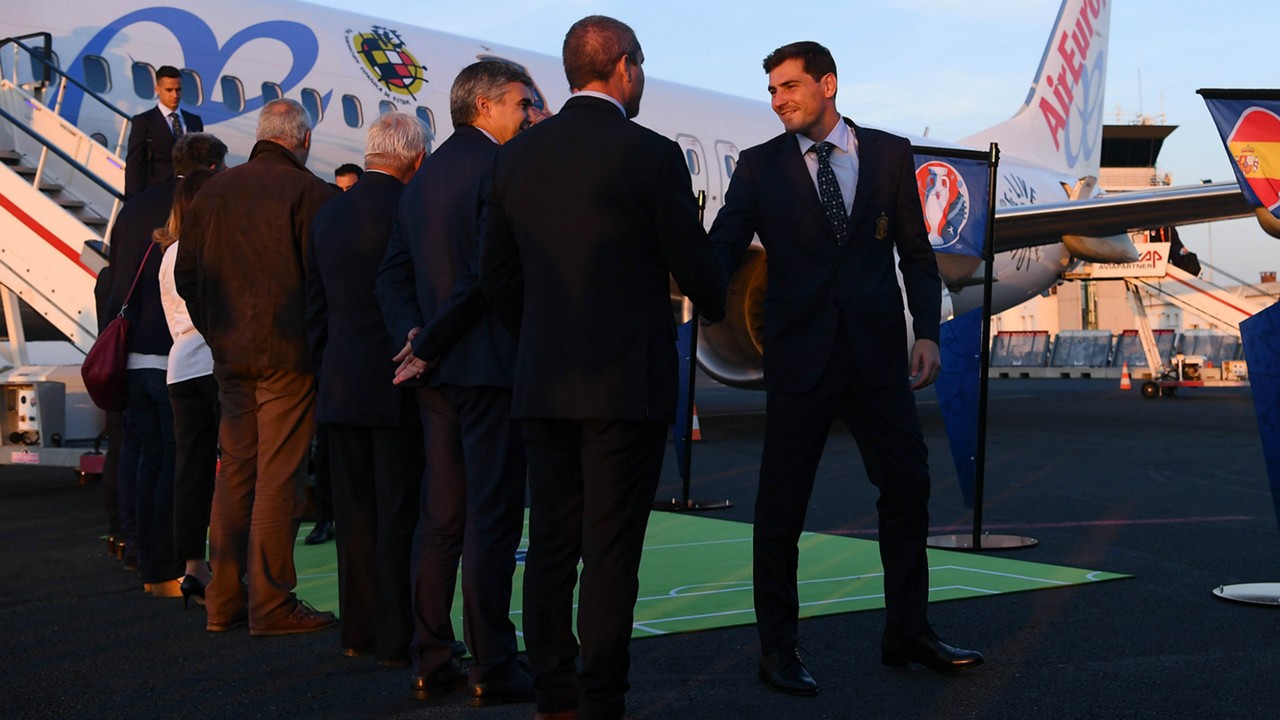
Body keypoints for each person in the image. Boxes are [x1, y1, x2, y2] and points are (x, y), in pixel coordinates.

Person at [707, 41, 983, 696]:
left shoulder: (887, 154)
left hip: (877, 356)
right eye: (771, 90)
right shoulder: (758, 167)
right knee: (781, 509)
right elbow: (719, 250)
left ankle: (908, 631)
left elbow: (916, 253)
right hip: (798, 357)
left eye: (790, 87)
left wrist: (928, 333)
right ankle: (778, 650)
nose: (779, 101)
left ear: (828, 85)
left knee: (908, 487)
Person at [478, 17, 725, 720]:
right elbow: (699, 276)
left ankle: (554, 694)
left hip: (543, 382)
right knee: (610, 551)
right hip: (627, 385)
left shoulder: (516, 159)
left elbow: (494, 276)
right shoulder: (650, 155)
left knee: (551, 543)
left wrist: (540, 336)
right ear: (622, 67)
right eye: (639, 67)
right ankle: (601, 699)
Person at [376, 60, 536, 705]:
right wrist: (431, 342)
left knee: (440, 518)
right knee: (490, 519)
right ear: (489, 105)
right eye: (523, 104)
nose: (529, 116)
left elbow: (391, 274)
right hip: (488, 370)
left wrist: (413, 341)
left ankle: (430, 658)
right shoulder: (500, 169)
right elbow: (488, 276)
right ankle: (493, 664)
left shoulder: (422, 178)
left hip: (434, 377)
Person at [174, 98, 338, 636]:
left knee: (236, 471)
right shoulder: (310, 193)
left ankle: (223, 600)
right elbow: (324, 282)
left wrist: (217, 330)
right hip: (288, 356)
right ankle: (270, 603)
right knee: (278, 478)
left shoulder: (214, 191)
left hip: (229, 355)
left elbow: (187, 275)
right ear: (302, 140)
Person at [305, 112, 426, 663]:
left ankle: (357, 630)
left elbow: (315, 308)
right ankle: (398, 634)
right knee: (399, 513)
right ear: (414, 157)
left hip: (341, 381)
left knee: (353, 516)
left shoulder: (329, 214)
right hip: (398, 380)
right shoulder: (412, 209)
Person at [104, 132, 226, 599]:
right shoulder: (195, 209)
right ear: (211, 166)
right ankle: (177, 567)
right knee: (179, 469)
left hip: (134, 352)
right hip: (177, 353)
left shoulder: (134, 208)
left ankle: (143, 556)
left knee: (141, 459)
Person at [153, 159, 225, 608]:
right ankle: (231, 565)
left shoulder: (167, 254)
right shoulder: (211, 248)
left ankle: (192, 566)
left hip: (179, 366)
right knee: (236, 467)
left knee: (191, 471)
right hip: (213, 363)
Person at [125, 65, 204, 199]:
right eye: (169, 90)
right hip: (156, 194)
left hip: (186, 195)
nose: (174, 95)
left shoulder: (194, 121)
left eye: (178, 90)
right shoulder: (144, 122)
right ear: (157, 90)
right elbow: (135, 164)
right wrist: (132, 200)